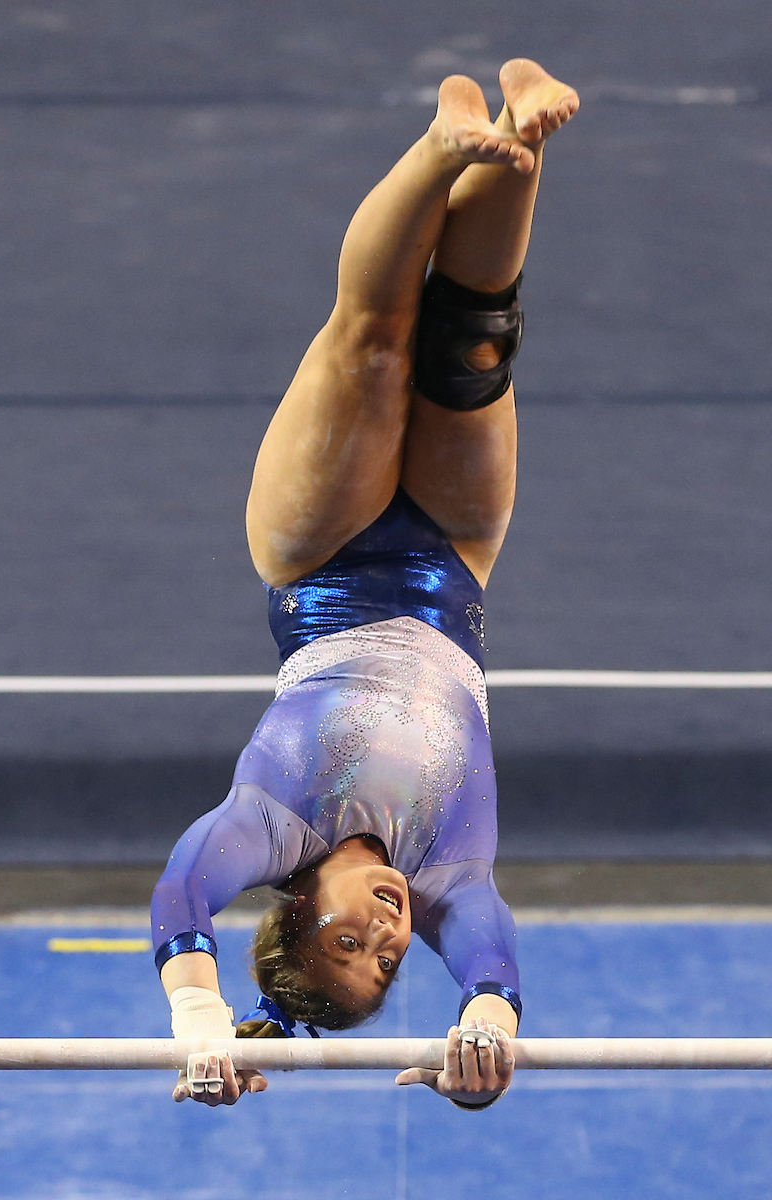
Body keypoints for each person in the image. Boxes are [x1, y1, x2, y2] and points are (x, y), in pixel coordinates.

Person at [151, 58, 579, 1109]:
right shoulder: (443, 880)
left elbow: (182, 895)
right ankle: (516, 144)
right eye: (389, 961)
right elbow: (483, 954)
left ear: (294, 903)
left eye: (350, 938)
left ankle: (442, 144)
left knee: (377, 343)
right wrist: (483, 1021)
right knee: (473, 340)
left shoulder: (270, 827)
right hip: (450, 564)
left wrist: (200, 1018)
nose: (389, 932)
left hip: (319, 563)